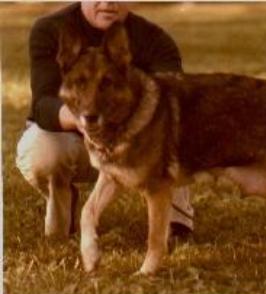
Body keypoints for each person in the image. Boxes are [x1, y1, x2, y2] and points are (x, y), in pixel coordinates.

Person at [16, 2, 194, 239]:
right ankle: (63, 212)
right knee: (45, 151)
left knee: (174, 126)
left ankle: (176, 223)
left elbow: (175, 99)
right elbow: (43, 105)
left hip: (134, 144)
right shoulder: (51, 29)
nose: (108, 1)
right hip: (73, 137)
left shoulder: (155, 40)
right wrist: (83, 122)